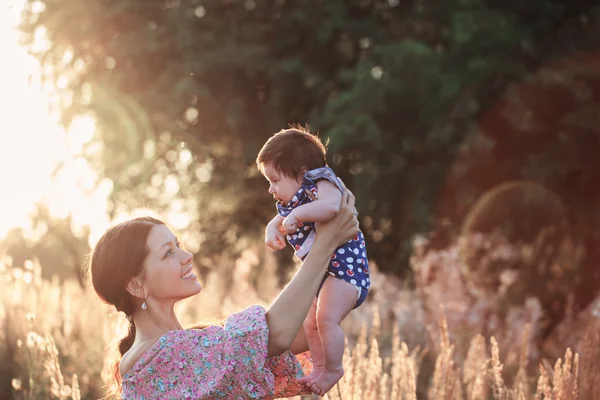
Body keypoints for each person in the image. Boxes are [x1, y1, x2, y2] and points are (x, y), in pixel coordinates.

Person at [87, 183, 359, 399]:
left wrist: (323, 222)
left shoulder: (190, 345)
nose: (187, 256)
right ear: (136, 285)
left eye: (179, 245)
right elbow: (273, 336)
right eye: (168, 253)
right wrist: (324, 244)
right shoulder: (155, 359)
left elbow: (296, 334)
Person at [256, 127, 370, 396]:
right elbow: (279, 219)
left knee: (326, 318)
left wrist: (300, 214)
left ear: (302, 172)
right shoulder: (292, 202)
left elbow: (332, 207)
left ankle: (333, 368)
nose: (271, 189)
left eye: (274, 180)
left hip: (348, 273)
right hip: (326, 275)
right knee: (309, 324)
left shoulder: (323, 183)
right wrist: (272, 229)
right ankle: (319, 366)